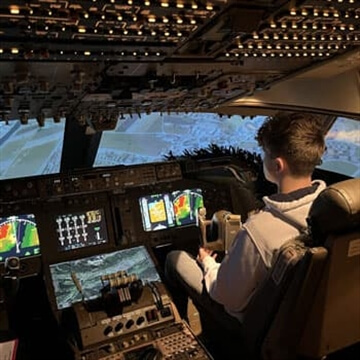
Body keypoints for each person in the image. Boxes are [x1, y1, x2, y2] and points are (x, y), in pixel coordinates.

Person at [164, 112, 327, 331]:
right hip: (305, 322)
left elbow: (225, 296)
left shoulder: (259, 230)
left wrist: (208, 264)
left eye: (265, 153)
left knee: (175, 259)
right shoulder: (330, 210)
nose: (262, 159)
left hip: (253, 327)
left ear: (278, 165)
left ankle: (183, 332)